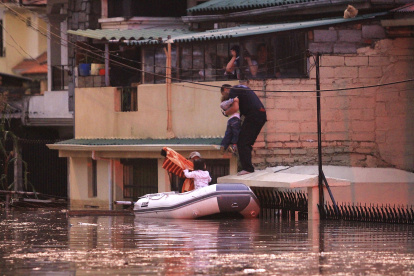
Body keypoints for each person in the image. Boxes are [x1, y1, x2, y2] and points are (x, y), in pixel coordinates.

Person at [221, 82, 267, 175]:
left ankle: (248, 168)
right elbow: (239, 111)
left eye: (224, 95)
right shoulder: (240, 89)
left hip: (254, 115)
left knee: (242, 141)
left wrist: (225, 113)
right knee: (246, 141)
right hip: (260, 114)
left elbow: (235, 108)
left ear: (225, 90)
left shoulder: (233, 91)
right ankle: (248, 167)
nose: (227, 98)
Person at [219, 84, 240, 155]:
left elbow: (222, 105)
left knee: (228, 134)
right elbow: (235, 108)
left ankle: (224, 146)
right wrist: (233, 100)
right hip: (236, 119)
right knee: (236, 133)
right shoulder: (233, 100)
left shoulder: (225, 104)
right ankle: (234, 146)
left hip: (230, 120)